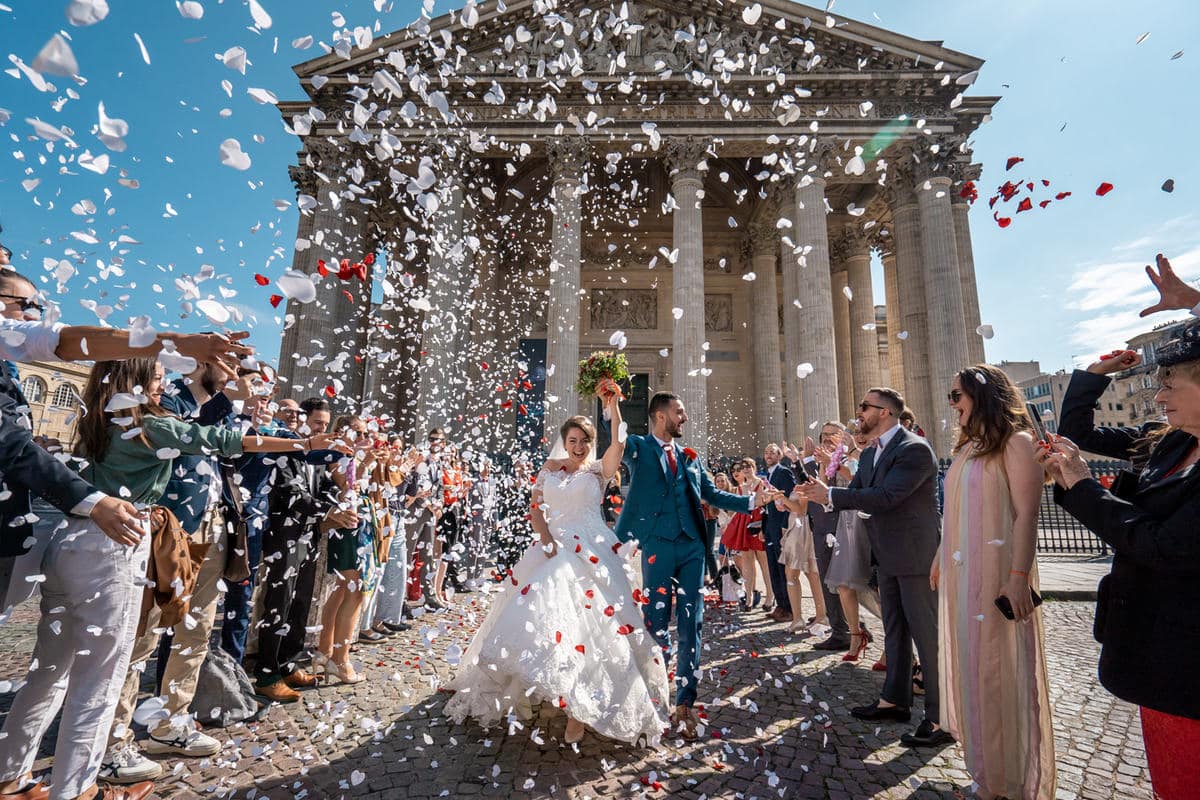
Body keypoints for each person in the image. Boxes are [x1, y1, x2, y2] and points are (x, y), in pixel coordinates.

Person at [0, 357, 343, 800]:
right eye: (157, 380)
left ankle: (11, 777)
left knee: (50, 671)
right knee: (99, 679)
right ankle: (78, 789)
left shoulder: (99, 417)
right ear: (135, 384)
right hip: (115, 542)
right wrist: (300, 444)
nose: (163, 388)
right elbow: (221, 438)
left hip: (70, 539)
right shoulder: (148, 425)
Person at [445, 392, 670, 746]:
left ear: (591, 444)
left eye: (584, 441)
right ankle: (542, 689)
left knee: (593, 630)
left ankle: (578, 710)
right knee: (546, 621)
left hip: (593, 551)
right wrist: (547, 538)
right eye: (573, 441)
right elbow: (537, 510)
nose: (579, 447)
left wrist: (613, 409)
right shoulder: (549, 469)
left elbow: (620, 442)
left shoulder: (598, 472)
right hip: (552, 549)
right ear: (564, 443)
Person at [1041, 312, 1200, 800]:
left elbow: (1163, 546)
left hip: (1188, 658)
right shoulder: (1169, 442)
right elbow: (1079, 433)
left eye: (1169, 382)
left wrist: (1083, 488)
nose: (1157, 396)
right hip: (1154, 648)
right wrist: (1093, 374)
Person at [614, 391, 778, 740]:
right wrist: (609, 403)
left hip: (691, 547)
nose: (684, 418)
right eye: (679, 412)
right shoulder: (640, 448)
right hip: (657, 545)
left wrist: (752, 500)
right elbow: (615, 436)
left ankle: (686, 701)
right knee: (656, 621)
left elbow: (711, 494)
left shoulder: (691, 456)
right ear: (660, 416)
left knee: (692, 621)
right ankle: (657, 697)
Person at [795, 388, 948, 748]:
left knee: (927, 636)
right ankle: (894, 700)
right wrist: (822, 490)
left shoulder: (913, 449)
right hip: (886, 553)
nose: (858, 412)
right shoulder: (872, 454)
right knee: (894, 629)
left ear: (886, 412)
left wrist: (831, 496)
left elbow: (887, 497)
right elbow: (856, 492)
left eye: (865, 407)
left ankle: (941, 717)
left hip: (915, 555)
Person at [934, 365, 1056, 799]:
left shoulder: (1017, 443)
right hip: (962, 573)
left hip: (997, 574)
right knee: (972, 668)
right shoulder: (969, 448)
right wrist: (939, 555)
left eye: (956, 395)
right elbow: (955, 510)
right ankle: (985, 773)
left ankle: (1008, 780)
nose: (952, 405)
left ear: (982, 396)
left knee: (996, 671)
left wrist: (1019, 577)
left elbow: (1027, 513)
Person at [254, 397, 350, 702]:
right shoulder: (284, 447)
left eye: (325, 423)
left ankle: (288, 662)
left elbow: (323, 486)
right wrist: (329, 512)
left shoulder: (315, 456)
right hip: (284, 535)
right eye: (317, 423)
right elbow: (291, 494)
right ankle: (267, 672)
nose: (322, 428)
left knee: (302, 601)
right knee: (279, 602)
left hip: (309, 533)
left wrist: (337, 500)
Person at [820, 425, 881, 660]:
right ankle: (856, 634)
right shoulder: (842, 456)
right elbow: (826, 486)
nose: (858, 437)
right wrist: (828, 462)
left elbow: (863, 484)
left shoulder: (872, 457)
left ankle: (893, 645)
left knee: (876, 588)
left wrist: (839, 463)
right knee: (844, 585)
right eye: (854, 433)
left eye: (862, 433)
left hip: (867, 521)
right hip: (846, 522)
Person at [719, 458, 772, 611]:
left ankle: (770, 596)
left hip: (758, 523)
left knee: (764, 563)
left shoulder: (761, 483)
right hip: (743, 524)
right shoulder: (740, 488)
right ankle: (748, 597)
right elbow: (737, 508)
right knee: (747, 563)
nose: (746, 469)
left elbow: (763, 504)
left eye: (749, 466)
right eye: (743, 467)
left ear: (754, 467)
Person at [759, 444, 795, 621]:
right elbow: (766, 505)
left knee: (782, 568)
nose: (768, 455)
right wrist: (763, 528)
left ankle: (789, 608)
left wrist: (784, 525)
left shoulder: (784, 472)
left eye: (772, 452)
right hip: (769, 527)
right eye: (766, 453)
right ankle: (780, 605)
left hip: (780, 526)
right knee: (773, 566)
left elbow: (789, 499)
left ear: (779, 456)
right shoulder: (765, 475)